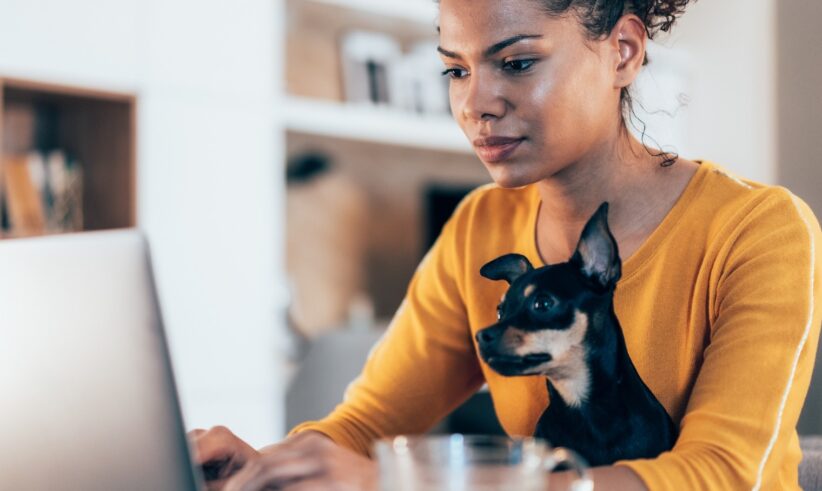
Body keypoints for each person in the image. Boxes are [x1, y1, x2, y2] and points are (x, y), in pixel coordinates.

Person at [191, 0, 822, 489]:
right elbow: (366, 428)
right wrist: (266, 469)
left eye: (516, 63)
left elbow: (721, 475)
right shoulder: (478, 227)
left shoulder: (759, 230)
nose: (474, 104)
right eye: (456, 69)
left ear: (623, 51)